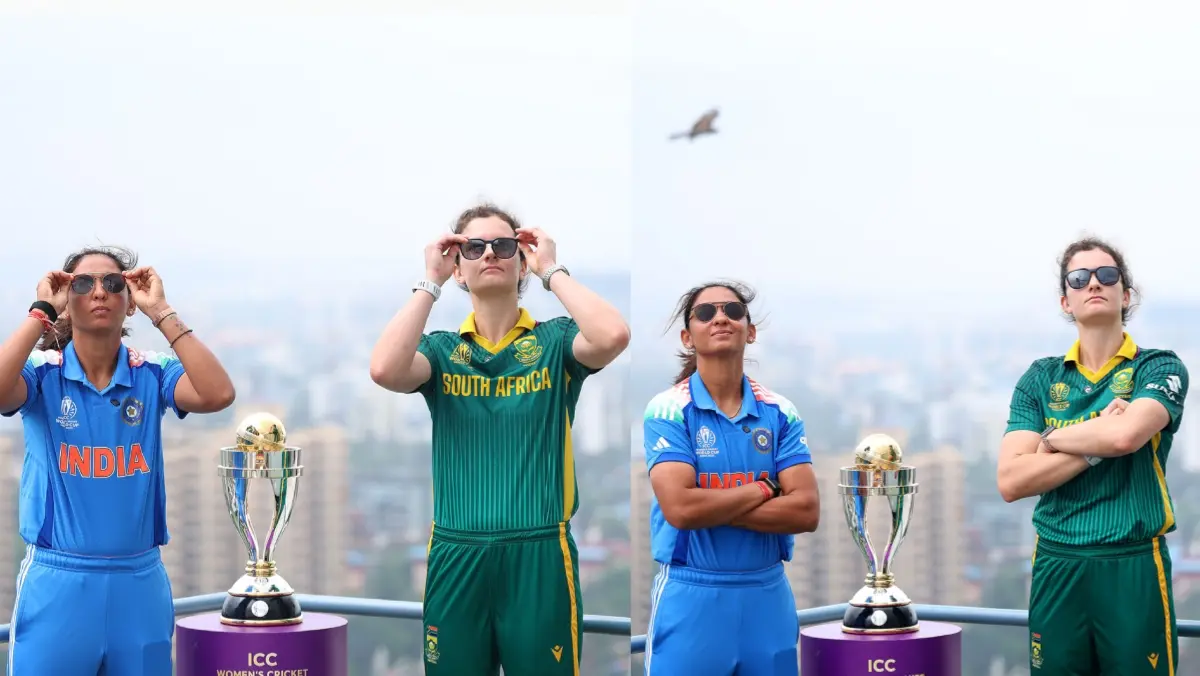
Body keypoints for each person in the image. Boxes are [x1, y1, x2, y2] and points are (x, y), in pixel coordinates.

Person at [368, 204, 630, 676]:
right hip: (455, 551)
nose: (490, 253)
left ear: (521, 260)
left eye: (504, 245)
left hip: (540, 553)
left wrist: (553, 269)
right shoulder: (442, 352)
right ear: (459, 268)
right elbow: (385, 369)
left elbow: (612, 335)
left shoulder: (555, 344)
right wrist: (430, 281)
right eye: (474, 247)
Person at [0, 246, 236, 676]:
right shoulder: (42, 373)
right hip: (58, 584)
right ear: (66, 302)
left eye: (113, 284)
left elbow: (217, 394)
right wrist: (39, 312)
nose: (99, 293)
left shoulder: (151, 373)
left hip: (139, 583)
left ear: (128, 302)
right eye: (82, 284)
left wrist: (161, 310)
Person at [997, 237, 1187, 676]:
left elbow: (1124, 438)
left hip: (1132, 561)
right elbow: (1011, 480)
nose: (1094, 284)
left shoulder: (1158, 368)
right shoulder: (1040, 379)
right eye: (1079, 278)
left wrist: (1050, 441)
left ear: (1127, 294)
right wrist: (1092, 443)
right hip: (1056, 562)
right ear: (1066, 300)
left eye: (1107, 275)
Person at [641, 280, 820, 676]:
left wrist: (712, 504)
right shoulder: (668, 409)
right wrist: (762, 489)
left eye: (733, 310)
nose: (720, 317)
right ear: (688, 337)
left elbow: (806, 511)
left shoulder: (780, 412)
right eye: (705, 312)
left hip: (767, 597)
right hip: (692, 599)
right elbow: (681, 509)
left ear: (750, 331)